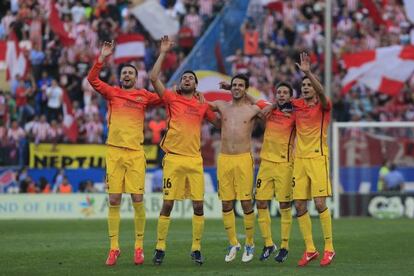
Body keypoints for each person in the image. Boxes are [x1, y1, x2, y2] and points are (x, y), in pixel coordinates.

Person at [87, 40, 161, 266]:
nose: (128, 75)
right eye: (125, 73)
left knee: (138, 199)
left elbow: (165, 98)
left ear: (136, 77)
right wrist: (102, 57)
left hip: (136, 153)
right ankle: (114, 248)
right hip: (115, 153)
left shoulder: (144, 96)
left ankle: (139, 248)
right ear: (120, 77)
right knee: (114, 199)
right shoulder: (112, 93)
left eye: (131, 73)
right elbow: (92, 79)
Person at [150, 36, 219, 265]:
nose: (187, 79)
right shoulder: (171, 98)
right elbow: (153, 78)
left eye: (191, 78)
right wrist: (162, 53)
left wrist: (215, 105)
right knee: (168, 204)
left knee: (198, 205)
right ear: (180, 83)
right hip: (173, 159)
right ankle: (160, 246)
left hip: (194, 160)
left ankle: (196, 248)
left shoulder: (201, 105)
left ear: (196, 85)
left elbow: (218, 124)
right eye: (184, 77)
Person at [208, 74, 261, 263]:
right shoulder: (222, 106)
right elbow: (200, 103)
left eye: (240, 85)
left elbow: (270, 106)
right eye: (234, 85)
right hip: (224, 159)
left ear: (246, 88)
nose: (237, 88)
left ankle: (249, 243)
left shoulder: (252, 109)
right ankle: (233, 243)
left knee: (246, 203)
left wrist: (248, 95)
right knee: (226, 203)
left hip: (243, 159)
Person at [292, 52, 335, 267]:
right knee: (299, 205)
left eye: (309, 85)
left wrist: (308, 72)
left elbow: (323, 93)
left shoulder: (324, 106)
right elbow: (276, 102)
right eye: (304, 85)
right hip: (299, 161)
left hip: (318, 158)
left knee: (319, 204)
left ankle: (329, 248)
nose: (306, 87)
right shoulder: (297, 105)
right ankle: (310, 249)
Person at [254, 82, 296, 263]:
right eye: (279, 92)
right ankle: (269, 244)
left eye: (285, 92)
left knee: (284, 206)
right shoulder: (269, 109)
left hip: (285, 165)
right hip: (266, 164)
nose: (281, 95)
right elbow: (253, 100)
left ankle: (285, 246)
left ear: (290, 96)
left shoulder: (295, 114)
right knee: (261, 203)